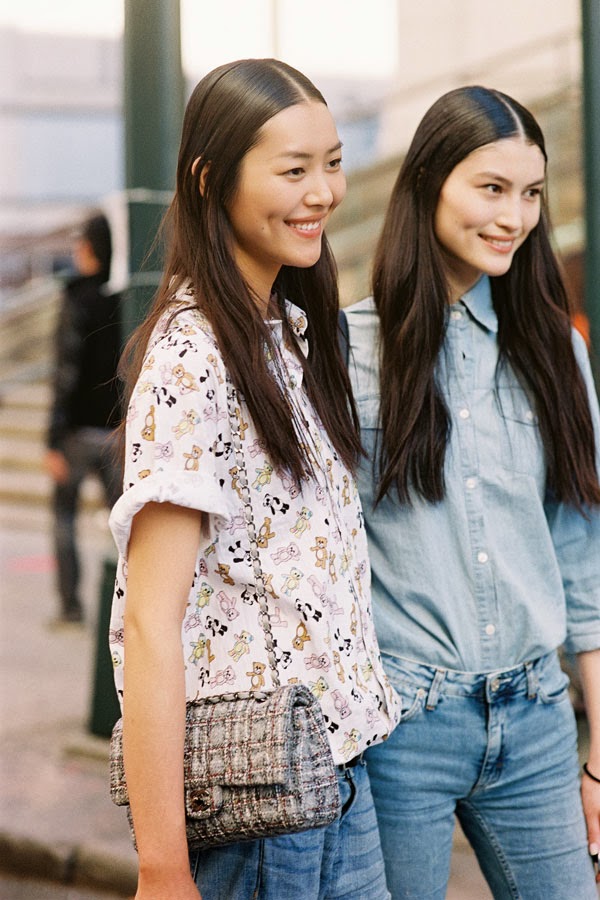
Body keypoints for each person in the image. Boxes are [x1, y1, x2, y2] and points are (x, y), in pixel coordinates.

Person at [108, 58, 399, 900]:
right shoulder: (193, 357)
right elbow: (151, 623)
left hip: (341, 779)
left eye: (333, 162)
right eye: (293, 169)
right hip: (261, 804)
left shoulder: (289, 336)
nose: (323, 192)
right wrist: (161, 867)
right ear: (211, 179)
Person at [343, 86, 600, 898]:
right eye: (491, 189)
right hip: (400, 727)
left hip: (537, 716)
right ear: (428, 183)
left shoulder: (556, 347)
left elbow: (581, 553)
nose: (514, 217)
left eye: (529, 194)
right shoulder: (347, 349)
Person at [45, 211, 122, 624]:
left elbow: (65, 375)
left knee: (64, 522)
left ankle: (71, 608)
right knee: (126, 531)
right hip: (116, 435)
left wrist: (52, 440)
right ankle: (126, 610)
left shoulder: (76, 299)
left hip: (76, 436)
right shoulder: (125, 299)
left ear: (89, 249)